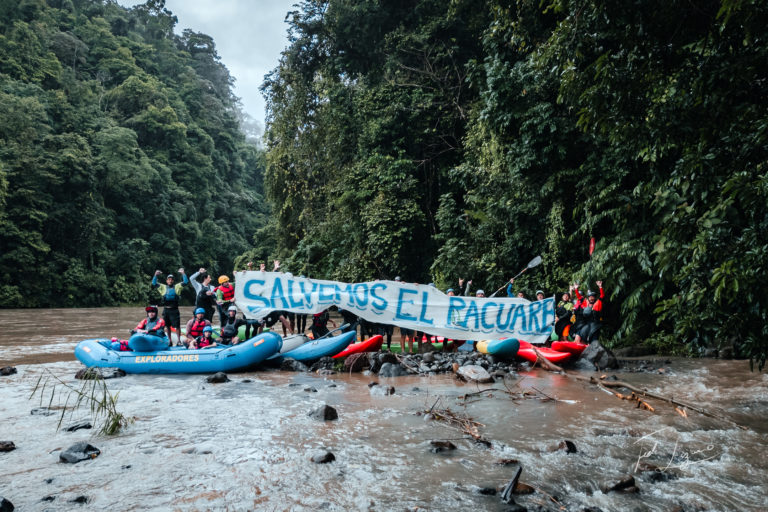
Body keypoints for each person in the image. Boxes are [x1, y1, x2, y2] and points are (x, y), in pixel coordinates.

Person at [151, 268, 189, 340]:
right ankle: (170, 340)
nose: (170, 280)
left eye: (171, 279)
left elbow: (186, 282)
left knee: (177, 326)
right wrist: (155, 275)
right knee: (167, 326)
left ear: (173, 281)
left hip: (174, 310)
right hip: (166, 310)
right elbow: (153, 283)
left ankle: (179, 340)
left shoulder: (177, 286)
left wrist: (183, 273)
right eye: (169, 279)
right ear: (166, 281)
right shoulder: (163, 287)